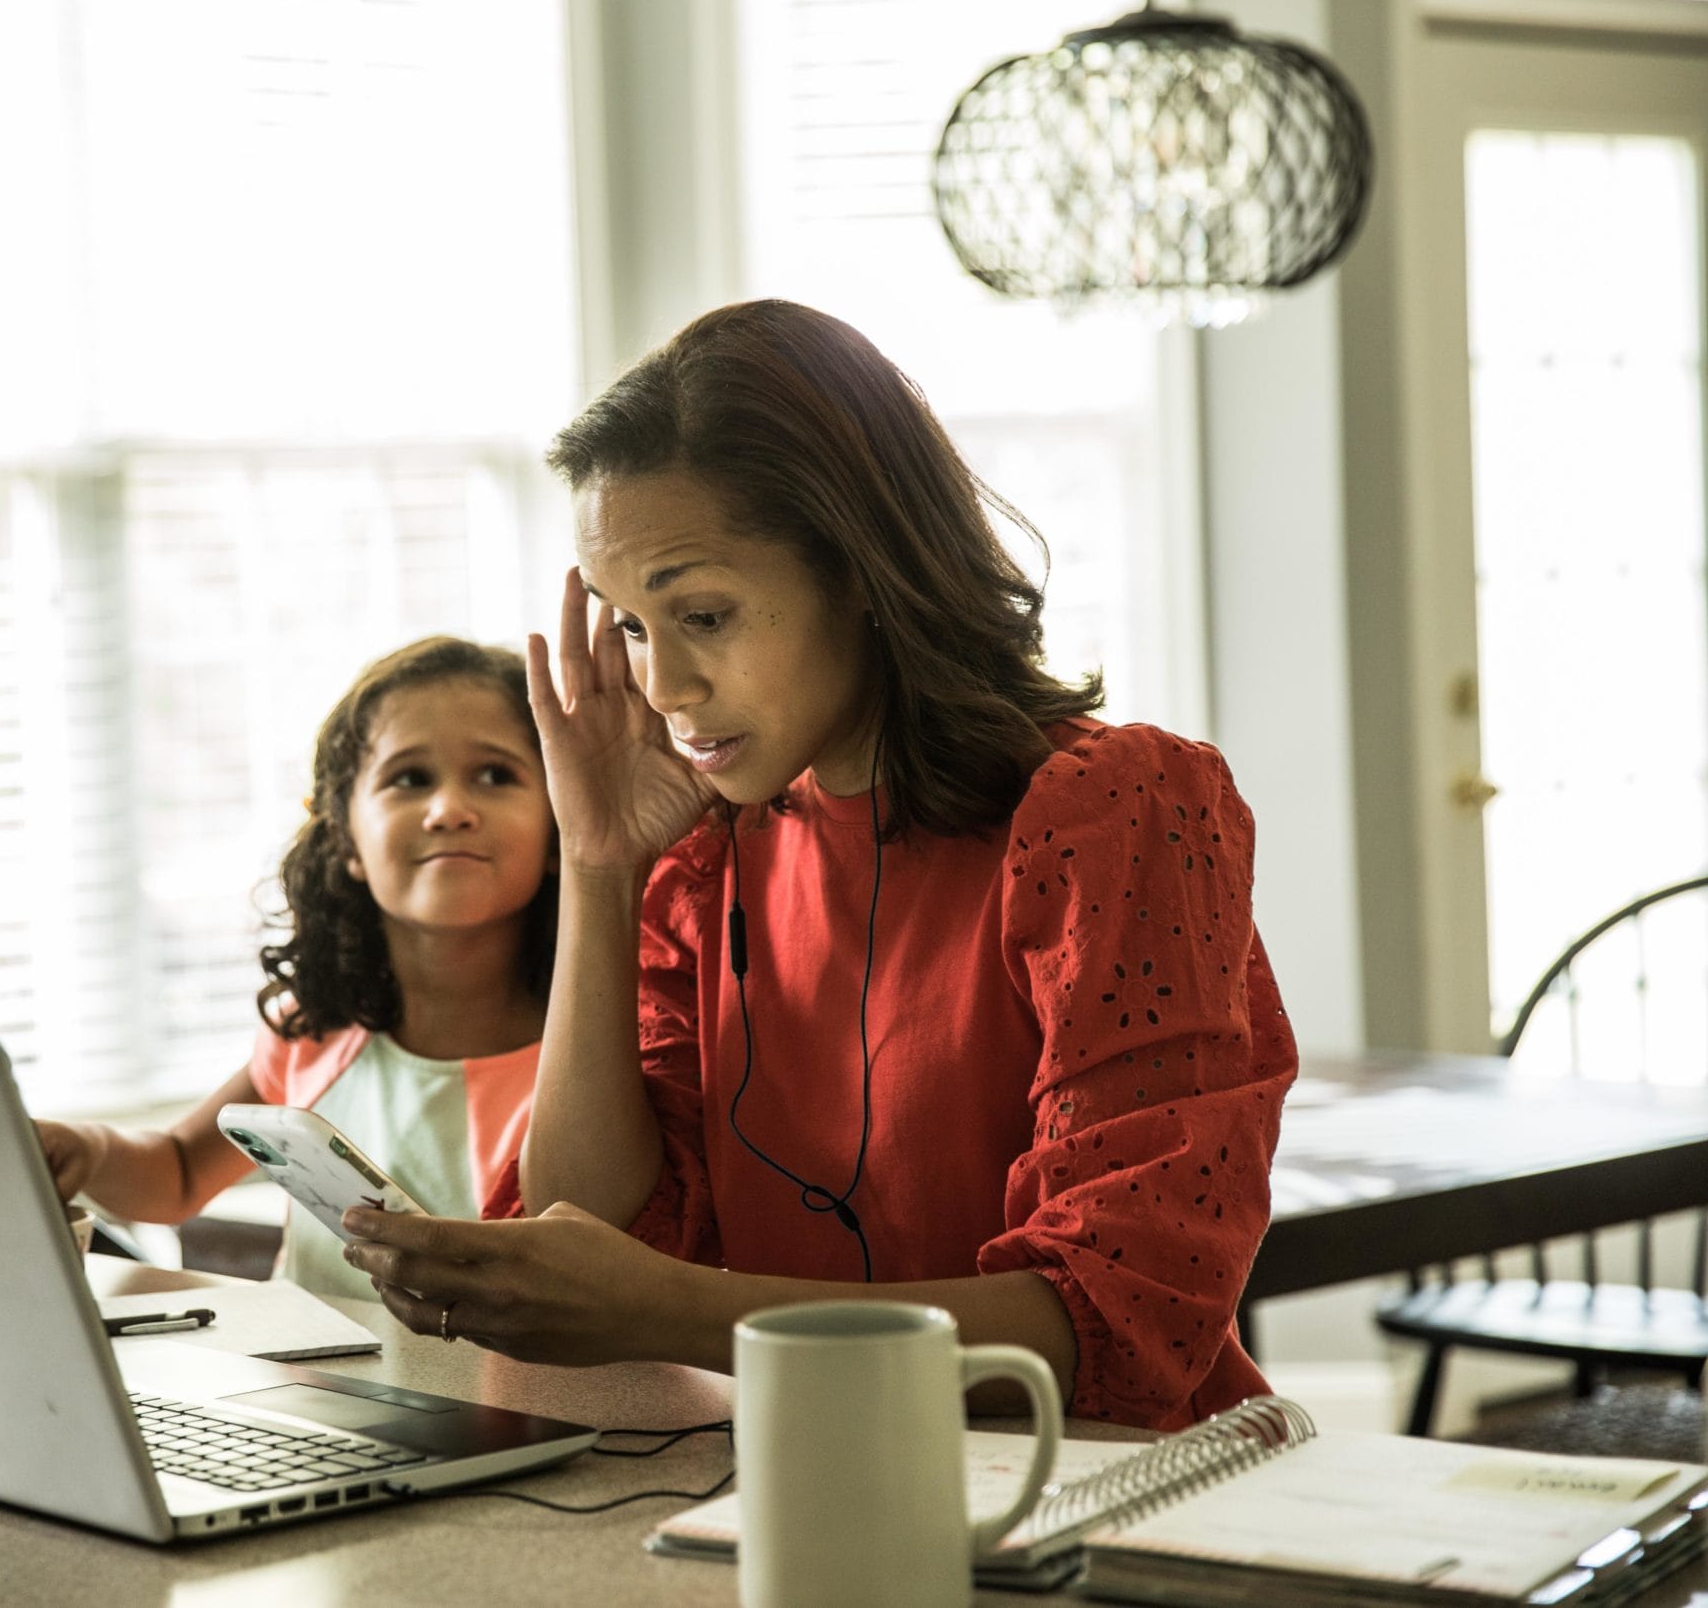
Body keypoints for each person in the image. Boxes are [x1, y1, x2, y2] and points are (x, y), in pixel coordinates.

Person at [338, 300, 1298, 1431]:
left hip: (1095, 1503)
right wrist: (598, 865)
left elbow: (1118, 1320)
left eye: (701, 612)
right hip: (802, 1481)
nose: (662, 686)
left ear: (860, 570)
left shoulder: (1112, 807)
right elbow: (581, 1221)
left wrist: (682, 1314)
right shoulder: (701, 857)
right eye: (631, 627)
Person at [36, 637, 557, 1301]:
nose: (448, 808)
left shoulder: (593, 1055)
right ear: (346, 839)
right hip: (313, 1393)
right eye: (409, 778)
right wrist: (87, 1147)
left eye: (495, 775)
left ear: (558, 829)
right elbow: (176, 1172)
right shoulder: (311, 1028)